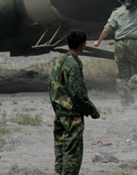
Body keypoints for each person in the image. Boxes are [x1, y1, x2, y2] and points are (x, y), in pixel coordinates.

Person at [49, 30, 100, 175]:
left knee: (60, 149)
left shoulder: (58, 62)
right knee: (72, 152)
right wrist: (91, 110)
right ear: (83, 45)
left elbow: (51, 87)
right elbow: (78, 93)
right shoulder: (73, 65)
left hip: (59, 112)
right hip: (71, 115)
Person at [93, 0, 137, 106]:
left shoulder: (116, 13)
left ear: (119, 0)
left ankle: (124, 100)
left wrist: (98, 42)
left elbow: (107, 29)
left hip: (119, 45)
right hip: (134, 44)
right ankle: (129, 87)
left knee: (122, 74)